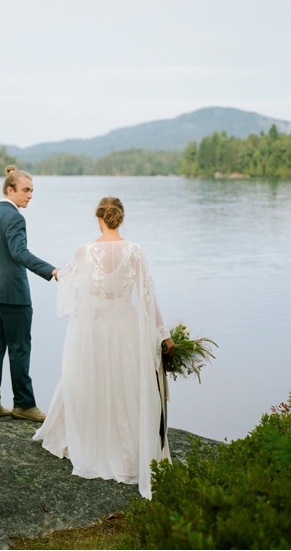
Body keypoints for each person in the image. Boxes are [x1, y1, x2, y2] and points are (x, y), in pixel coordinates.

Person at [32, 197, 175, 499]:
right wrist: (163, 334)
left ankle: (91, 441)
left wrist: (60, 273)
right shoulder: (135, 251)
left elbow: (72, 288)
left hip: (93, 329)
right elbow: (148, 297)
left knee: (91, 382)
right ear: (120, 219)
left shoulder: (85, 251)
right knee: (125, 385)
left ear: (98, 218)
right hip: (125, 326)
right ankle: (127, 449)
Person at [0, 165, 58, 422]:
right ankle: (23, 405)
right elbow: (19, 253)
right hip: (12, 294)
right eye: (25, 190)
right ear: (10, 190)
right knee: (19, 348)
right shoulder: (15, 218)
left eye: (31, 190)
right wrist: (51, 270)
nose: (30, 195)